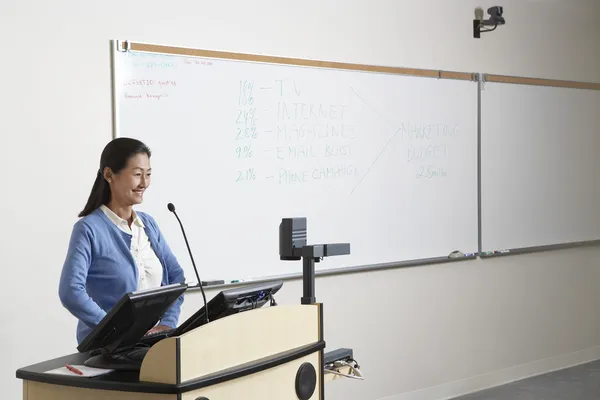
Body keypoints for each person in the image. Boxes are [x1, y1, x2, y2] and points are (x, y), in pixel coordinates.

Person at [58, 137, 185, 344]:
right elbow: (70, 291)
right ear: (109, 174)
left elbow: (175, 276)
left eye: (148, 174)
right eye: (137, 174)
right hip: (106, 349)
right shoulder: (88, 229)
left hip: (152, 345)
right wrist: (114, 330)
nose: (144, 183)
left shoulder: (148, 224)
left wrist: (168, 323)